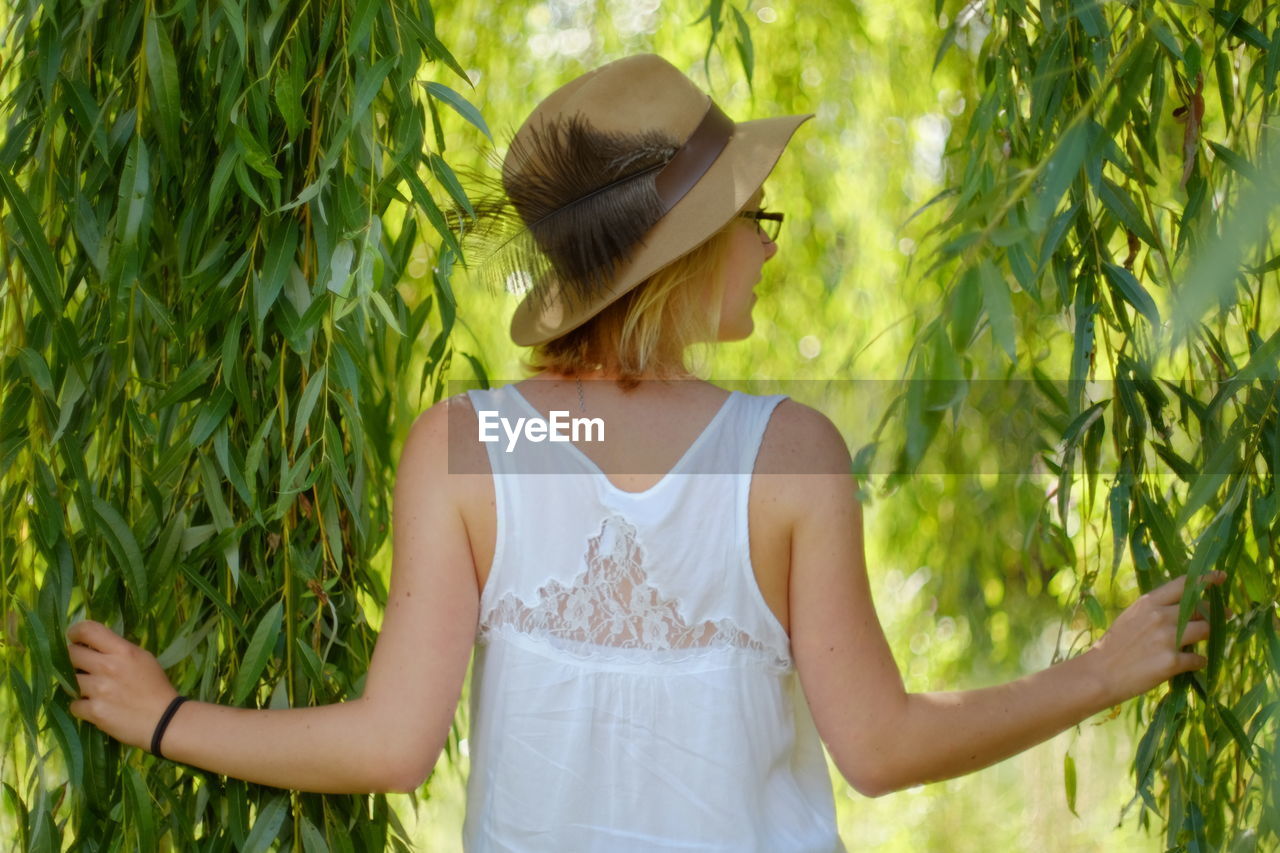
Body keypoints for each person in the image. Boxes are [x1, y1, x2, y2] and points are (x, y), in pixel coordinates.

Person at [63, 54, 1226, 851]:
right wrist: (1099, 671)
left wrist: (168, 718)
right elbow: (876, 746)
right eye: (753, 221)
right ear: (686, 251)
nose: (767, 252)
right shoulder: (789, 457)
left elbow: (390, 743)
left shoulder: (464, 446)